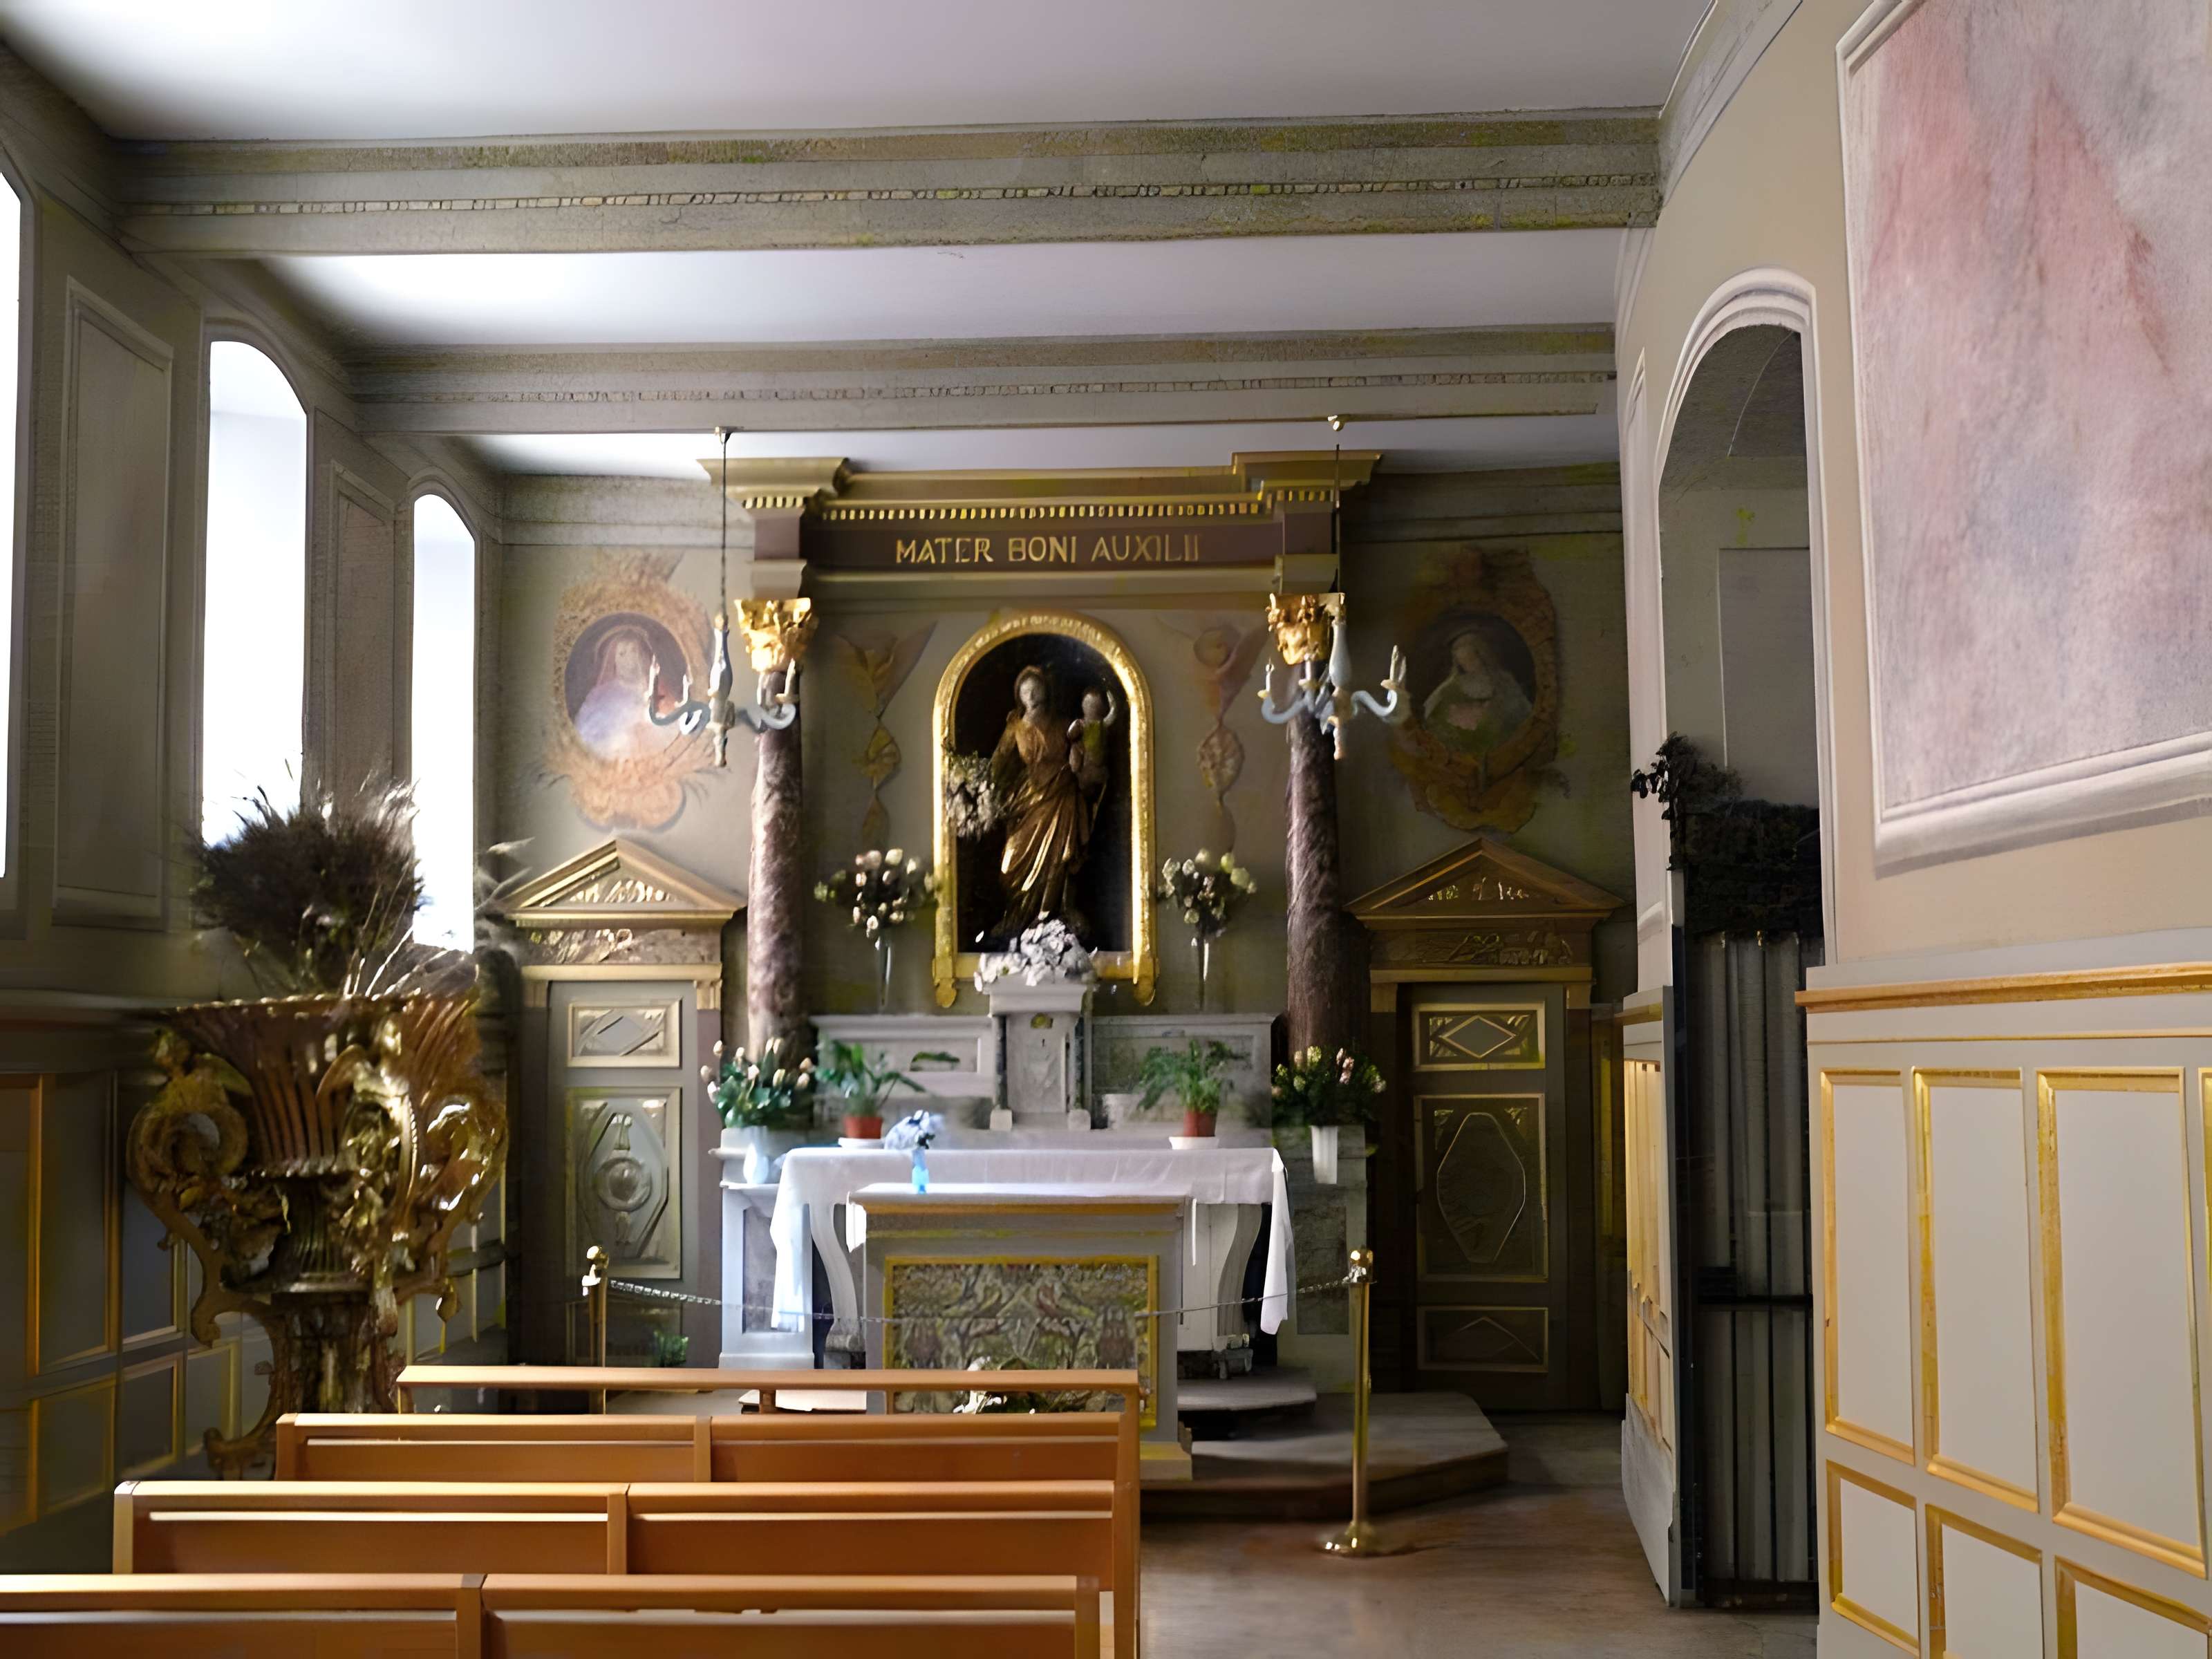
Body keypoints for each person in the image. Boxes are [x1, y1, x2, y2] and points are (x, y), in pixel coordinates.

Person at [990, 666, 1100, 937]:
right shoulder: (1015, 727)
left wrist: (1080, 753)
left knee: (1057, 861)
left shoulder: (1063, 724)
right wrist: (985, 791)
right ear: (1019, 696)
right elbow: (998, 764)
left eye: (1036, 688)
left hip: (1060, 797)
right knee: (1011, 864)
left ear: (1045, 690)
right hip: (1029, 798)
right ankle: (1017, 915)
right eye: (1026, 691)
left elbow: (1084, 755)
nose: (1032, 694)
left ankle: (1049, 916)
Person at [1421, 626, 1533, 759]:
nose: (1468, 665)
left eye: (1471, 659)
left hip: (1500, 750)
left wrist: (1493, 713)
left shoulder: (1503, 681)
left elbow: (1522, 713)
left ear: (1482, 655)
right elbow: (1432, 719)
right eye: (1462, 662)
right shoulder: (1451, 687)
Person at [573, 624, 667, 759]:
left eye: (633, 651)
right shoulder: (602, 695)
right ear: (614, 660)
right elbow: (590, 738)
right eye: (622, 654)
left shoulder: (655, 687)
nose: (629, 660)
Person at [1066, 684, 1119, 789]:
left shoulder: (1103, 726)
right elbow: (1070, 735)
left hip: (1098, 768)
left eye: (1094, 705)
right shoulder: (1081, 724)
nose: (1091, 708)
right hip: (1082, 767)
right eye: (1088, 704)